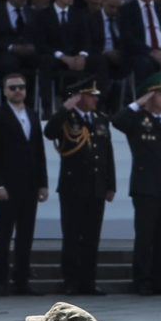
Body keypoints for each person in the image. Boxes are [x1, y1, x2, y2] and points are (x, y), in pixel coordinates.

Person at [116, 74, 161, 295]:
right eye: (159, 93)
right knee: (146, 237)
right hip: (146, 188)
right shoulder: (138, 120)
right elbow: (118, 121)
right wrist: (138, 103)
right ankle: (142, 280)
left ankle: (160, 279)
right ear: (148, 95)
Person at [49, 77, 113, 296]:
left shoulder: (100, 119)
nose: (95, 100)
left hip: (96, 186)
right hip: (73, 187)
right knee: (73, 236)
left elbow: (107, 154)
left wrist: (110, 184)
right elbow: (49, 132)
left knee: (92, 236)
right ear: (78, 97)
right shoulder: (68, 119)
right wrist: (64, 109)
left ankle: (89, 280)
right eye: (90, 96)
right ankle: (70, 281)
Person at [0, 70, 47, 294]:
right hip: (8, 185)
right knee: (4, 234)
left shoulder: (32, 114)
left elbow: (39, 151)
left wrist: (43, 183)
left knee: (26, 234)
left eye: (21, 87)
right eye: (13, 87)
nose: (18, 90)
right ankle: (0, 281)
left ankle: (22, 279)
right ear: (4, 91)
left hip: (30, 184)